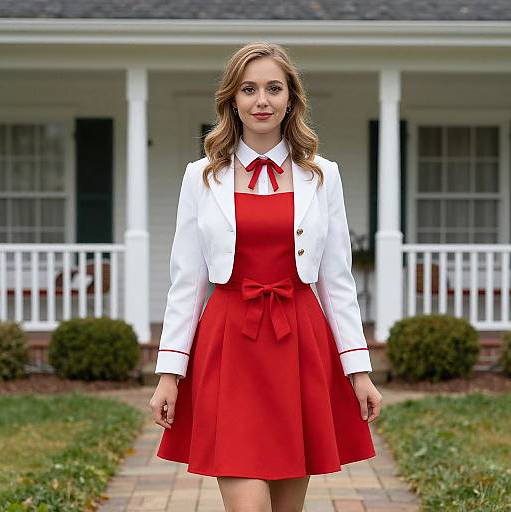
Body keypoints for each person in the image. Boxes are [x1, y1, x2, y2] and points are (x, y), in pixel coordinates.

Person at [150, 41, 383, 512]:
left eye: (273, 88)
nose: (262, 100)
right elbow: (187, 282)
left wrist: (358, 371)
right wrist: (169, 373)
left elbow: (336, 280)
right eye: (249, 89)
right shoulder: (200, 177)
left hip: (298, 342)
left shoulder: (323, 176)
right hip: (229, 344)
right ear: (232, 100)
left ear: (291, 98)